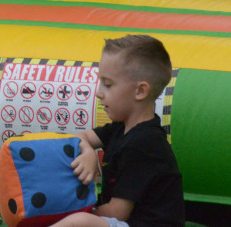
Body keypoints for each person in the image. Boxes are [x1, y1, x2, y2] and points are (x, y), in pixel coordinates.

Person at [51, 35, 185, 227]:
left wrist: (71, 213)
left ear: (140, 91)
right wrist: (88, 151)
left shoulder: (145, 143)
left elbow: (118, 213)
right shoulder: (120, 128)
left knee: (78, 221)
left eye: (108, 84)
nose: (98, 92)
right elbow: (81, 137)